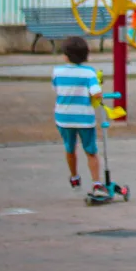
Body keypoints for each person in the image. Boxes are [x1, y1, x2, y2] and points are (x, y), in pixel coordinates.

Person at [52, 37, 106, 198]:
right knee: (90, 151)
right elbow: (96, 93)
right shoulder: (89, 73)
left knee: (70, 148)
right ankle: (97, 183)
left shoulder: (57, 72)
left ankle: (74, 177)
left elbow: (56, 89)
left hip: (63, 117)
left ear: (65, 56)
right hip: (84, 117)